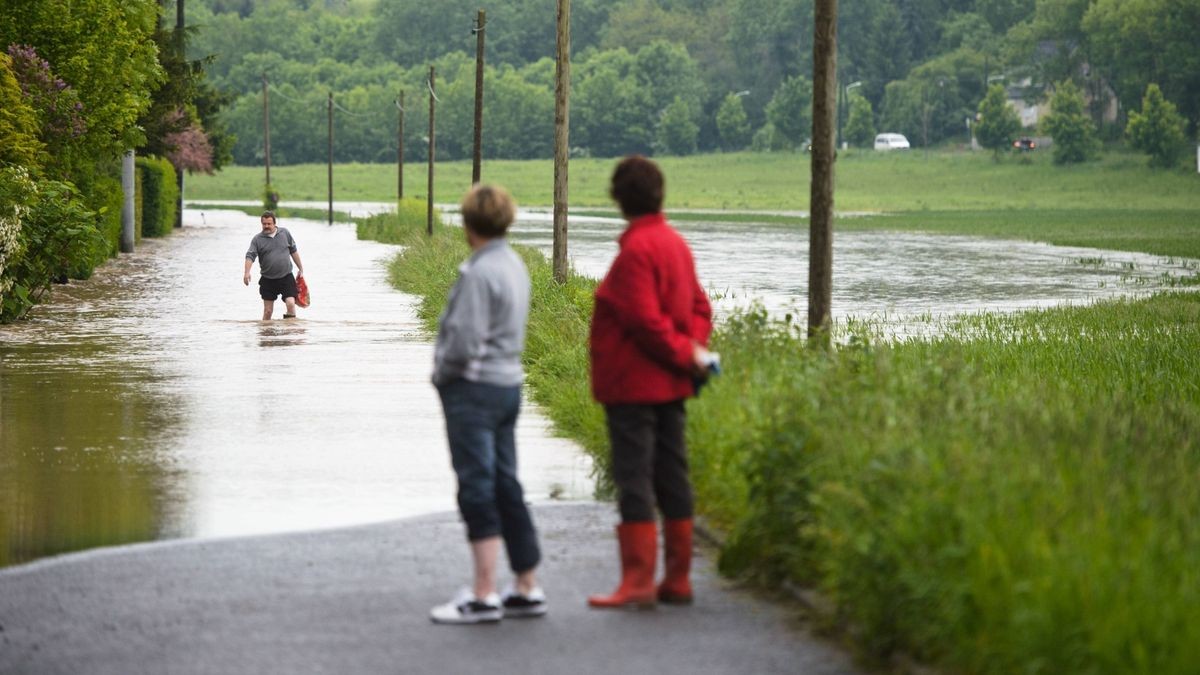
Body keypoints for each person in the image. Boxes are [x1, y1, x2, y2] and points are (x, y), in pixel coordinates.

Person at [588, 155, 714, 609]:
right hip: (673, 385)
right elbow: (701, 308)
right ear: (659, 194)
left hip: (633, 388)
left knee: (635, 478)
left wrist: (685, 352)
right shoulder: (676, 244)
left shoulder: (635, 252)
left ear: (619, 200)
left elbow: (645, 323)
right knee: (672, 475)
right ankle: (677, 579)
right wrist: (695, 352)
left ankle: (638, 581)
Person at [429, 184, 546, 625]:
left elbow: (463, 339)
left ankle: (482, 594)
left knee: (476, 485)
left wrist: (442, 374)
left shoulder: (478, 273)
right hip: (508, 385)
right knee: (505, 482)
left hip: (474, 389)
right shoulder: (515, 264)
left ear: (468, 222)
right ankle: (526, 585)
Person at [243, 211, 304, 320]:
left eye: (269, 224)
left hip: (286, 276)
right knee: (268, 311)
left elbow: (293, 251)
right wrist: (247, 272)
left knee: (290, 303)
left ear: (274, 223)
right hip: (268, 279)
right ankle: (266, 335)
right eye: (264, 224)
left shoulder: (285, 233)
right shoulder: (257, 239)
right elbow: (250, 256)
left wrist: (301, 268)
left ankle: (289, 332)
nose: (266, 226)